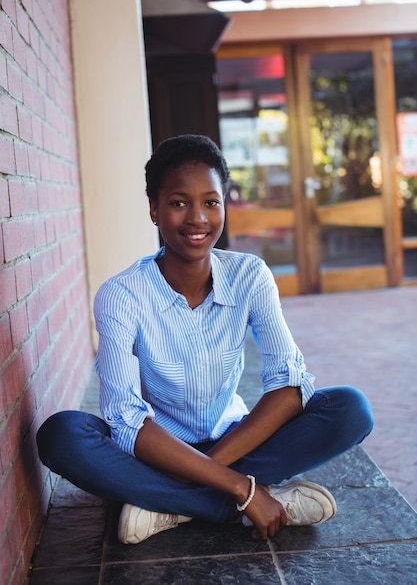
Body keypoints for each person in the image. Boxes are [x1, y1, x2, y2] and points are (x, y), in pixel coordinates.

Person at [37, 134, 374, 544]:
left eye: (211, 202)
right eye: (179, 203)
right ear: (154, 210)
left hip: (231, 439)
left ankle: (170, 503)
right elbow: (125, 418)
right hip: (156, 449)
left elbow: (289, 386)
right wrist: (241, 489)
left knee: (350, 409)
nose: (197, 218)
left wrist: (208, 469)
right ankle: (240, 506)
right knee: (62, 435)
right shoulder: (121, 295)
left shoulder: (250, 275)